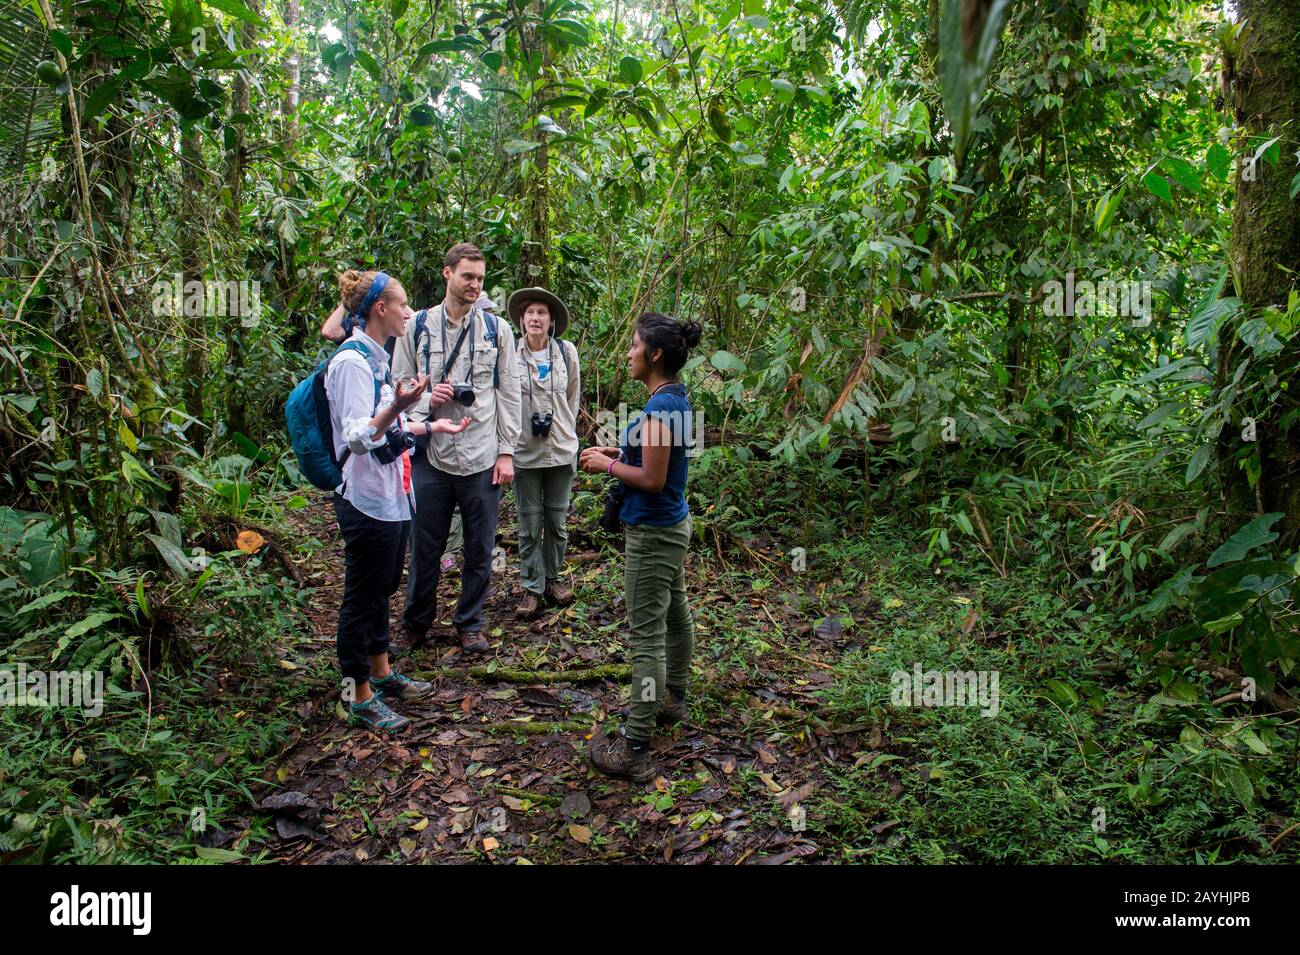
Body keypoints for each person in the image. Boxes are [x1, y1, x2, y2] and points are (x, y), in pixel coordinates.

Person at [325, 269, 468, 732]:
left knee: (382, 588)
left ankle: (381, 672)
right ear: (380, 309)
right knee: (362, 596)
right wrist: (399, 408)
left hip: (392, 495)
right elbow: (359, 436)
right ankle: (357, 694)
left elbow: (387, 429)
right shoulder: (350, 362)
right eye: (403, 304)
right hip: (365, 499)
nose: (409, 311)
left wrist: (429, 426)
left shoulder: (377, 357)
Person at [579, 313, 703, 781]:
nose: (628, 353)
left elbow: (651, 479)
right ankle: (673, 696)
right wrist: (615, 454)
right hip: (673, 524)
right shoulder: (674, 398)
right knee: (676, 615)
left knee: (647, 636)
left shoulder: (658, 409)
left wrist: (606, 469)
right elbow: (659, 461)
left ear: (654, 354)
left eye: (634, 345)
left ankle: (635, 748)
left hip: (653, 533)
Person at [392, 243, 521, 655]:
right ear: (448, 274)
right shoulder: (418, 327)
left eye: (480, 278)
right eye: (468, 276)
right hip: (432, 452)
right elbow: (395, 391)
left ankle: (470, 623)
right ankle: (416, 623)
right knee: (425, 547)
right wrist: (429, 396)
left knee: (480, 548)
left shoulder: (496, 330)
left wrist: (506, 452)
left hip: (482, 455)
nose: (475, 285)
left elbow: (510, 393)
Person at [509, 288, 581, 619]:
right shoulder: (508, 353)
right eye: (530, 313)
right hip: (523, 451)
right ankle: (531, 587)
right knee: (528, 523)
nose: (535, 318)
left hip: (561, 450)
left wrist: (564, 430)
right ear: (521, 319)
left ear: (551, 321)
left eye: (542, 313)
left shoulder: (567, 354)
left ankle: (553, 578)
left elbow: (572, 399)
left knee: (557, 521)